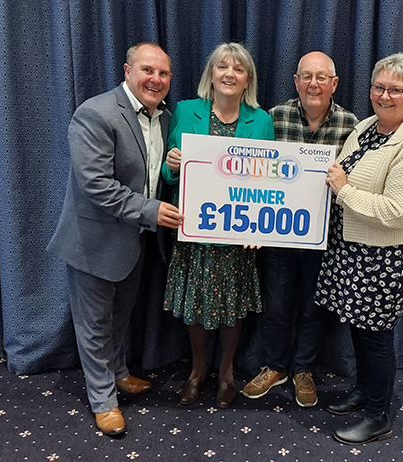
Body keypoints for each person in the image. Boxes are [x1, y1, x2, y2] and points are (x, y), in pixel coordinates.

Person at [47, 43, 183, 436]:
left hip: (135, 240)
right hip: (94, 240)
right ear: (127, 70)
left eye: (163, 74)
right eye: (147, 70)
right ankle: (103, 400)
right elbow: (96, 185)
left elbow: (155, 175)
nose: (155, 80)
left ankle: (119, 372)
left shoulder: (165, 118)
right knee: (94, 324)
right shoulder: (96, 112)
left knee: (121, 317)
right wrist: (151, 211)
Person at [318, 53, 403, 445]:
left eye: (395, 90)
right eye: (378, 87)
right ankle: (365, 391)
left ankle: (378, 415)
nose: (384, 96)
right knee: (357, 326)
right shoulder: (368, 126)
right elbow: (342, 169)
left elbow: (399, 213)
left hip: (384, 257)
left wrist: (344, 191)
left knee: (376, 336)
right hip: (352, 247)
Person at [241, 52, 358, 408]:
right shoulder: (273, 118)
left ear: (334, 84)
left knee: (313, 308)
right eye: (306, 77)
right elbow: (250, 170)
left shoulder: (351, 126)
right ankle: (275, 365)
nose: (313, 84)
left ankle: (303, 369)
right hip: (278, 236)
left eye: (322, 78)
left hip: (326, 239)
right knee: (276, 305)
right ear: (296, 81)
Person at [161, 42, 274, 409]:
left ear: (247, 80)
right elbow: (167, 172)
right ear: (211, 75)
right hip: (193, 229)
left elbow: (267, 183)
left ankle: (226, 372)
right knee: (194, 304)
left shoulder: (262, 121)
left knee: (232, 306)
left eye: (238, 69)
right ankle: (198, 370)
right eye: (222, 67)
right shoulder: (185, 111)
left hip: (236, 234)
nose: (229, 74)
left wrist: (259, 227)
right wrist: (172, 165)